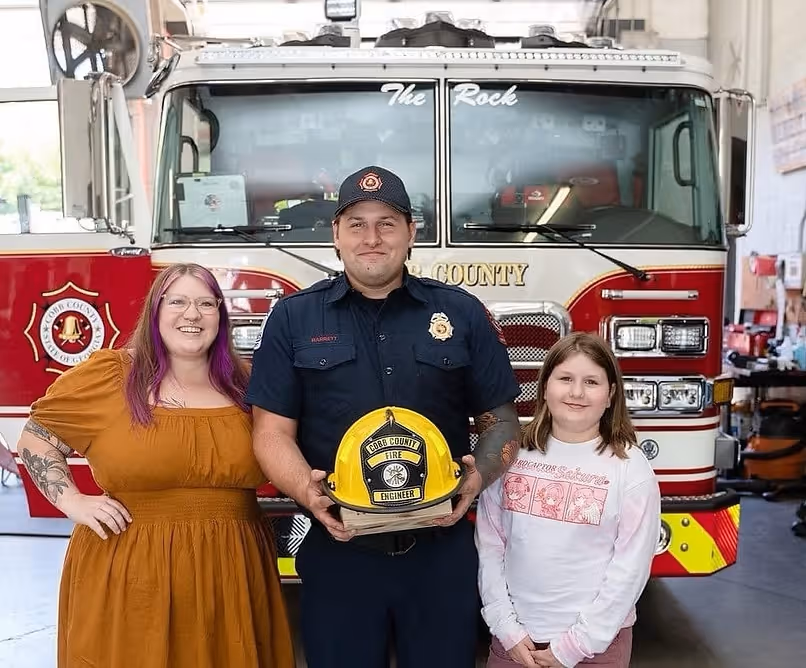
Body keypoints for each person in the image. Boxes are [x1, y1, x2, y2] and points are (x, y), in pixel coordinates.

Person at [247, 165, 522, 668]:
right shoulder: (293, 318)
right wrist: (305, 491)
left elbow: (502, 423)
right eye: (356, 223)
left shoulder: (460, 313)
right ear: (335, 236)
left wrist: (475, 479)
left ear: (412, 234)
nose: (372, 238)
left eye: (388, 223)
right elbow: (269, 433)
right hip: (339, 547)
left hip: (440, 549)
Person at [17, 263, 295, 668]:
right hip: (131, 569)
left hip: (233, 567)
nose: (192, 314)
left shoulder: (247, 385)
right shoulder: (111, 377)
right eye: (177, 301)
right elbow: (34, 439)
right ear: (155, 310)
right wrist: (74, 501)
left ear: (221, 313)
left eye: (205, 303)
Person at [476, 332, 661, 668]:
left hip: (595, 650)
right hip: (515, 644)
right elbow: (490, 546)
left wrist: (574, 647)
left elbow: (630, 570)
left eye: (592, 381)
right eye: (565, 379)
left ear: (610, 395)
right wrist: (505, 627)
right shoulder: (511, 456)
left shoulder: (631, 470)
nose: (577, 392)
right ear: (544, 387)